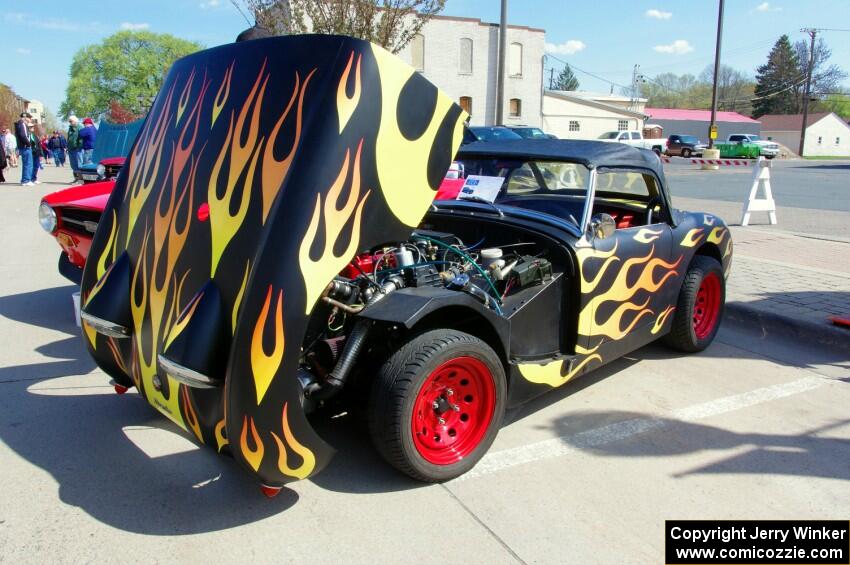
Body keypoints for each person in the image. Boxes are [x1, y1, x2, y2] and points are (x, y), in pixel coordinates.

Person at [14, 112, 33, 186]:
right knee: (28, 164)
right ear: (25, 117)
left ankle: (25, 179)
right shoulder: (22, 124)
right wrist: (29, 144)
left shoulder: (20, 124)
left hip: (23, 146)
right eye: (29, 118)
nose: (30, 120)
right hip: (25, 147)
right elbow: (23, 135)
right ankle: (26, 180)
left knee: (27, 164)